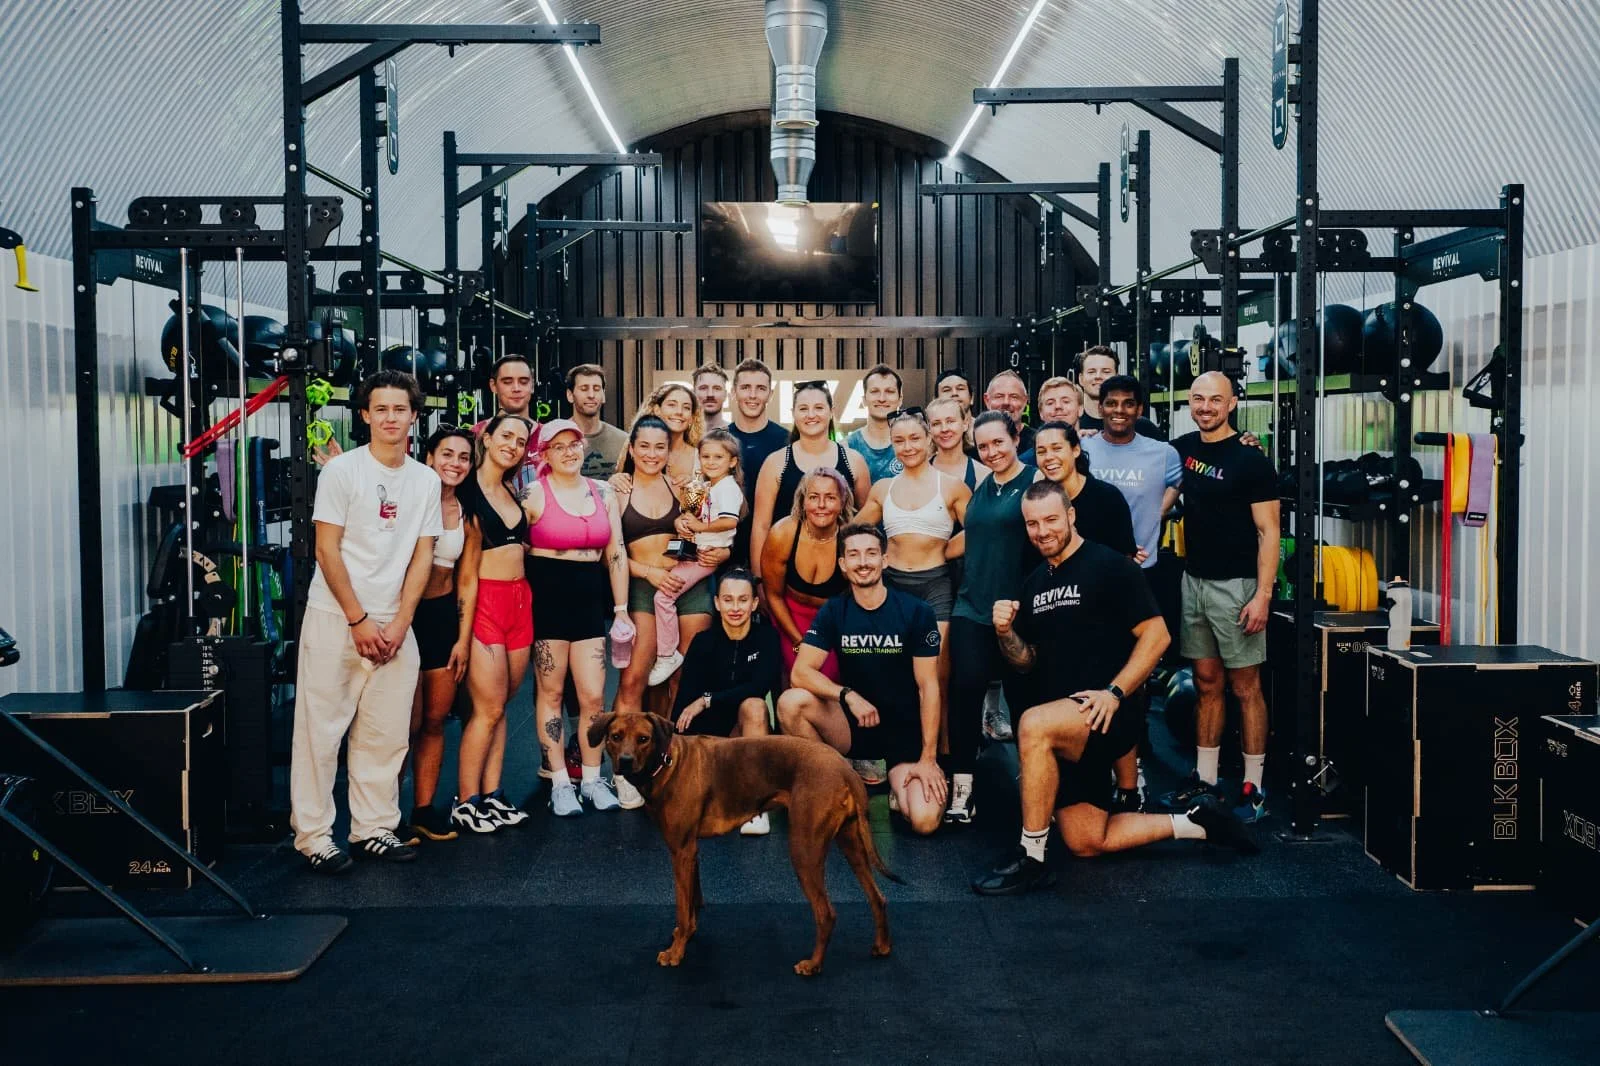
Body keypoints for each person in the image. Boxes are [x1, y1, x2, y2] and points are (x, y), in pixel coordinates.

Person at [971, 481, 1257, 895]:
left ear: (1071, 516)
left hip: (1107, 713)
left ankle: (1031, 857)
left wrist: (1115, 692)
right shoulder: (1032, 584)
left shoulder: (1110, 566)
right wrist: (1004, 632)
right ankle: (1196, 823)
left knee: (1031, 724)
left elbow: (1157, 637)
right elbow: (1025, 660)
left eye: (1051, 519)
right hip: (1067, 729)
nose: (1042, 531)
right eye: (1032, 524)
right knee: (1087, 840)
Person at [291, 370, 442, 872]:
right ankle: (313, 836)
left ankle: (373, 828)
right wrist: (357, 619)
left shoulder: (426, 479)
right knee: (321, 731)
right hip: (338, 617)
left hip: (395, 622)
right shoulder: (342, 473)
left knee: (387, 732)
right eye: (381, 409)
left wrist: (400, 622)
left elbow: (424, 556)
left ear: (414, 416)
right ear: (364, 416)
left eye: (400, 409)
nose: (390, 417)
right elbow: (326, 549)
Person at [1162, 372, 1280, 822]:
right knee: (1207, 684)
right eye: (1198, 398)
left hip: (1238, 588)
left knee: (1246, 688)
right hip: (1194, 582)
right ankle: (1206, 781)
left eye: (1216, 399)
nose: (1206, 406)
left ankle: (1253, 788)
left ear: (1232, 404)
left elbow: (1269, 533)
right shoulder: (1183, 449)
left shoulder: (1250, 460)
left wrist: (1263, 595)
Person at [777, 524, 947, 836]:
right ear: (842, 565)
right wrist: (847, 696)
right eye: (853, 555)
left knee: (924, 821)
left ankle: (897, 788)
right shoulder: (834, 610)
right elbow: (801, 672)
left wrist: (928, 758)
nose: (863, 562)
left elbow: (929, 687)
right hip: (854, 725)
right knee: (791, 702)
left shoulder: (916, 611)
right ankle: (834, 785)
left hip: (903, 735)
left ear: (885, 560)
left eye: (871, 553)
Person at [519, 419, 635, 816]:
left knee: (592, 698)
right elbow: (512, 553)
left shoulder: (602, 492)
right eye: (560, 446)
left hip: (589, 603)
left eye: (575, 444)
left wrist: (621, 611)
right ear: (544, 454)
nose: (569, 451)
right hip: (548, 603)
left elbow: (616, 552)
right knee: (551, 694)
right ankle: (560, 783)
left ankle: (590, 777)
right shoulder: (533, 494)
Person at [944, 410, 1041, 824]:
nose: (991, 451)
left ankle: (1035, 788)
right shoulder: (983, 485)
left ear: (1016, 437)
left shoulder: (1034, 481)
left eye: (998, 442)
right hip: (972, 605)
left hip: (1018, 608)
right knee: (964, 692)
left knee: (1025, 701)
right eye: (983, 446)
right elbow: (971, 538)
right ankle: (963, 788)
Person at [855, 410, 970, 729]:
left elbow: (980, 529)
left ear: (929, 440)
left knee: (936, 676)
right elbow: (852, 532)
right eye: (899, 441)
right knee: (889, 671)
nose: (907, 447)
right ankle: (893, 749)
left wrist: (943, 549)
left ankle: (941, 759)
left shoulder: (952, 487)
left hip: (935, 585)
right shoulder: (883, 488)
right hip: (891, 585)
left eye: (914, 438)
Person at [450, 413, 536, 834]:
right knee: (487, 708)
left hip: (520, 603)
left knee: (501, 706)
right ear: (486, 436)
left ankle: (493, 794)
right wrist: (463, 637)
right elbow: (465, 573)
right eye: (506, 436)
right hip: (485, 602)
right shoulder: (466, 491)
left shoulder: (510, 490)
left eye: (521, 441)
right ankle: (465, 800)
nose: (513, 445)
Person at [613, 417, 726, 717]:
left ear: (668, 452)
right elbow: (608, 555)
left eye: (660, 447)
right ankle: (624, 761)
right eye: (645, 446)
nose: (652, 454)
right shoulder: (617, 490)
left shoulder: (682, 488)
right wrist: (650, 573)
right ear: (632, 449)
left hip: (687, 584)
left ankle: (675, 756)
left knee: (683, 677)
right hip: (642, 586)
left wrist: (719, 554)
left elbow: (718, 522)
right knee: (634, 679)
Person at [404, 426, 476, 843]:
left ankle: (423, 811)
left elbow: (466, 582)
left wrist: (462, 638)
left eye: (464, 457)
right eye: (446, 454)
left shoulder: (467, 514)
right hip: (402, 616)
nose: (455, 463)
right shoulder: (409, 499)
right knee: (402, 723)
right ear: (429, 457)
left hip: (441, 617)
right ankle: (383, 816)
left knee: (434, 720)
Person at [671, 568, 783, 835]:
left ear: (754, 603)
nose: (735, 607)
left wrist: (708, 700)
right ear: (717, 603)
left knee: (755, 705)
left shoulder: (766, 638)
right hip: (709, 746)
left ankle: (755, 807)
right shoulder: (703, 642)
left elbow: (759, 686)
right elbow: (686, 702)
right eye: (728, 600)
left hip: (743, 738)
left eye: (743, 600)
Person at [649, 428, 745, 685]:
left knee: (662, 597)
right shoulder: (703, 486)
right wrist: (683, 522)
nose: (711, 462)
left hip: (705, 556)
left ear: (732, 462)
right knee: (659, 573)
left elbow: (728, 522)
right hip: (691, 549)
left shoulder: (728, 488)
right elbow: (690, 515)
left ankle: (667, 654)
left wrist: (700, 528)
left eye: (718, 457)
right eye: (706, 457)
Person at [750, 380, 869, 575]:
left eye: (819, 408)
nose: (811, 415)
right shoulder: (775, 463)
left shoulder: (854, 461)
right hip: (785, 575)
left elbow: (865, 522)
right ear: (793, 414)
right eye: (803, 409)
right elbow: (761, 526)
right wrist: (759, 579)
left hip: (841, 576)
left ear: (831, 412)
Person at [1080, 375, 1181, 575]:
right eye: (1111, 403)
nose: (1119, 410)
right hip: (1090, 568)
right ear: (1100, 409)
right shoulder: (1082, 448)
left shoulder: (1164, 454)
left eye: (1128, 404)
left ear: (1140, 410)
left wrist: (1158, 512)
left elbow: (1181, 482)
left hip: (1141, 568)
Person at [761, 467, 852, 685]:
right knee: (794, 678)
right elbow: (773, 595)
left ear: (842, 502)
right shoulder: (783, 533)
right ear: (803, 501)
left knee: (827, 678)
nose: (821, 505)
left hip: (832, 620)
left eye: (830, 498)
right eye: (813, 497)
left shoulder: (851, 537)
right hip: (789, 617)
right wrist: (798, 641)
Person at [1032, 421, 1137, 559]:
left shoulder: (1108, 498)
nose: (1049, 457)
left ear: (1075, 450)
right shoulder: (1037, 502)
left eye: (1057, 448)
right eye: (1041, 452)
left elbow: (1124, 558)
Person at [726, 359, 791, 567]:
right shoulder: (719, 441)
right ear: (734, 392)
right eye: (745, 388)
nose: (752, 395)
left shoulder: (787, 441)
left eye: (760, 388)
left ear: (770, 395)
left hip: (777, 549)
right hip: (725, 552)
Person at [471, 355, 543, 492]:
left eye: (523, 381)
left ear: (532, 385)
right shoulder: (476, 433)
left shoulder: (548, 435)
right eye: (507, 382)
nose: (516, 388)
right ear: (493, 386)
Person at [1077, 346, 1162, 439]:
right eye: (1091, 372)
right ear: (1081, 379)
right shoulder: (1071, 426)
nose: (1098, 376)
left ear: (1116, 376)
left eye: (1106, 372)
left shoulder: (1143, 427)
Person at [844, 363, 906, 483]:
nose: (882, 398)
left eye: (889, 391)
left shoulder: (913, 445)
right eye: (874, 391)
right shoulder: (847, 447)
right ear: (864, 400)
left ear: (900, 399)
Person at [566, 363, 628, 480]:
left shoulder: (623, 441)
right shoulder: (555, 438)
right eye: (584, 389)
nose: (591, 395)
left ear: (603, 395)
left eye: (596, 389)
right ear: (570, 395)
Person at [1018, 377, 1084, 465]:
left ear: (1080, 409)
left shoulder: (1095, 449)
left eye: (1066, 401)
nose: (1058, 406)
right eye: (1050, 403)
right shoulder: (1024, 463)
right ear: (1041, 412)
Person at [928, 396, 987, 490]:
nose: (944, 429)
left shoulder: (983, 475)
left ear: (965, 424)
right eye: (936, 423)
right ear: (929, 429)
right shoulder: (918, 471)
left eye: (950, 421)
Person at [983, 369, 1035, 455]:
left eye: (1014, 397)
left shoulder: (1038, 443)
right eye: (999, 396)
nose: (1006, 402)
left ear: (1025, 401)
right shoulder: (975, 442)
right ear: (987, 400)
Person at [694, 363, 730, 430]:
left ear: (725, 395)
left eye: (717, 388)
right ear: (693, 393)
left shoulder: (737, 436)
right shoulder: (682, 435)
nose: (710, 394)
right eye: (703, 388)